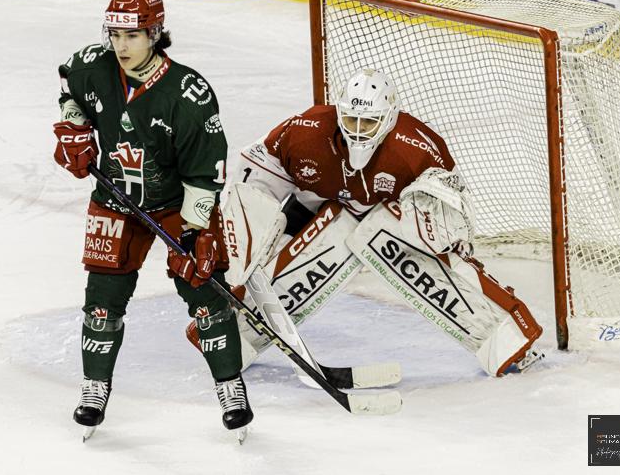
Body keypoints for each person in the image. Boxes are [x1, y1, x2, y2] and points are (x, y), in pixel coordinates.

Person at [189, 67, 544, 379]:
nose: (358, 131)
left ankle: (504, 338)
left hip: (385, 221)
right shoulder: (304, 131)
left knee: (394, 239)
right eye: (351, 120)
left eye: (369, 122)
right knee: (288, 240)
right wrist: (243, 243)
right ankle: (230, 334)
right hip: (314, 207)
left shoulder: (416, 148)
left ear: (389, 118)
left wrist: (437, 236)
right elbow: (252, 181)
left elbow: (453, 218)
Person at [52, 0, 252, 439]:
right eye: (115, 34)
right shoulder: (93, 65)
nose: (120, 46)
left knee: (205, 297)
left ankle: (231, 386)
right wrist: (74, 129)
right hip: (114, 201)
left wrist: (197, 231)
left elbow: (205, 172)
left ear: (156, 34)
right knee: (102, 301)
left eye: (133, 35)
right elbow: (70, 90)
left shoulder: (187, 93)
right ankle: (93, 387)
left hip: (178, 206)